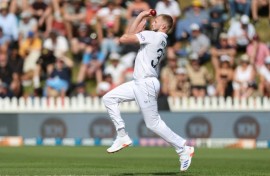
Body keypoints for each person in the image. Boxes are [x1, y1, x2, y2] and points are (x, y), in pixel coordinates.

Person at [102, 10, 194, 172]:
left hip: (146, 83)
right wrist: (140, 20)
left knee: (153, 124)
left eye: (156, 20)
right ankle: (122, 135)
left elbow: (123, 39)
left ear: (164, 26)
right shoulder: (158, 37)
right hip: (138, 82)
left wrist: (141, 17)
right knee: (109, 98)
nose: (153, 22)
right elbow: (128, 37)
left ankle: (182, 148)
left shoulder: (155, 36)